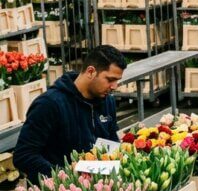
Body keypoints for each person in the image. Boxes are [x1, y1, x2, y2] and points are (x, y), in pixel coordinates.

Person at [13, 46, 126, 182]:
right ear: (91, 72)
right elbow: (23, 155)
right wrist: (64, 178)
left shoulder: (108, 101)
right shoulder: (49, 104)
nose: (114, 86)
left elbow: (111, 140)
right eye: (110, 79)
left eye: (117, 81)